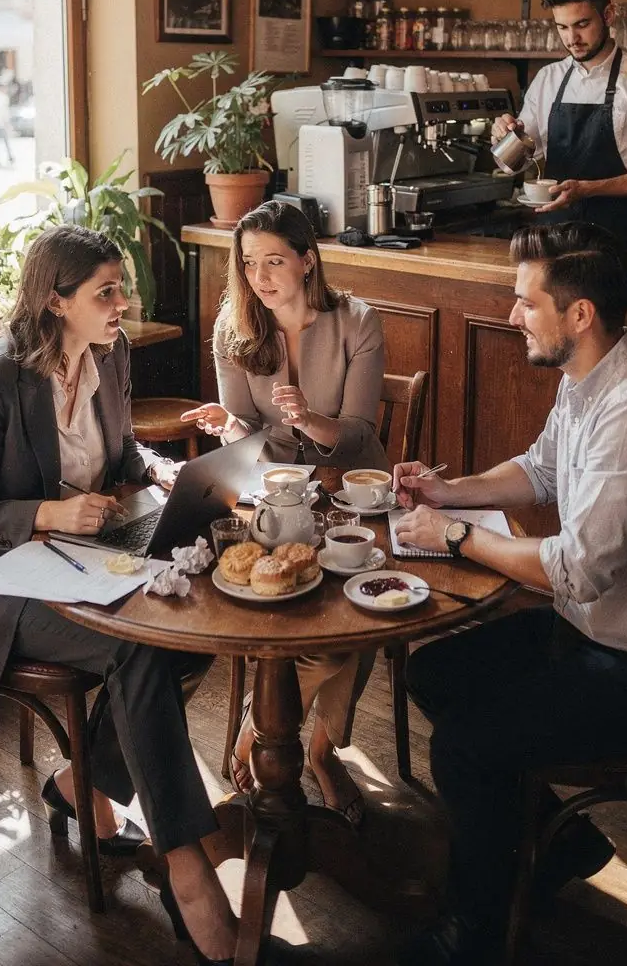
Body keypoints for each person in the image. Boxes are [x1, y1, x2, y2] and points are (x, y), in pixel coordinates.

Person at [391, 221, 627, 966]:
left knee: (466, 748)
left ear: (579, 315)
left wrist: (454, 538)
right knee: (434, 672)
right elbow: (540, 470)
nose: (512, 314)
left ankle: (471, 938)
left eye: (524, 301)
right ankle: (563, 843)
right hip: (595, 636)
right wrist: (451, 491)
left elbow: (576, 571)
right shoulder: (589, 380)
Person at [0, 226, 239, 964]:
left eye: (122, 287)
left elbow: (117, 452)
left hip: (82, 558)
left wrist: (157, 471)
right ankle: (191, 881)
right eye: (106, 292)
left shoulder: (110, 353)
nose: (122, 303)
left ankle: (78, 784)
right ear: (56, 301)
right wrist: (49, 514)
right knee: (141, 652)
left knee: (196, 623)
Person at [183, 199, 387, 824]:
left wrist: (307, 419)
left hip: (351, 496)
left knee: (355, 622)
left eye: (274, 260)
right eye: (248, 264)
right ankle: (294, 742)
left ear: (307, 260)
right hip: (272, 500)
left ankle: (302, 746)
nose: (260, 276)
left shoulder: (358, 322)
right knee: (280, 607)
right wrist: (229, 425)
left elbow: (357, 433)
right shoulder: (232, 328)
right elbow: (248, 437)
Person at [492, 0, 627, 252]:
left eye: (581, 24)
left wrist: (588, 189)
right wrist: (505, 137)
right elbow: (523, 161)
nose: (571, 39)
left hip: (615, 244)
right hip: (551, 241)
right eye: (562, 27)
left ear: (608, 15)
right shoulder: (548, 79)